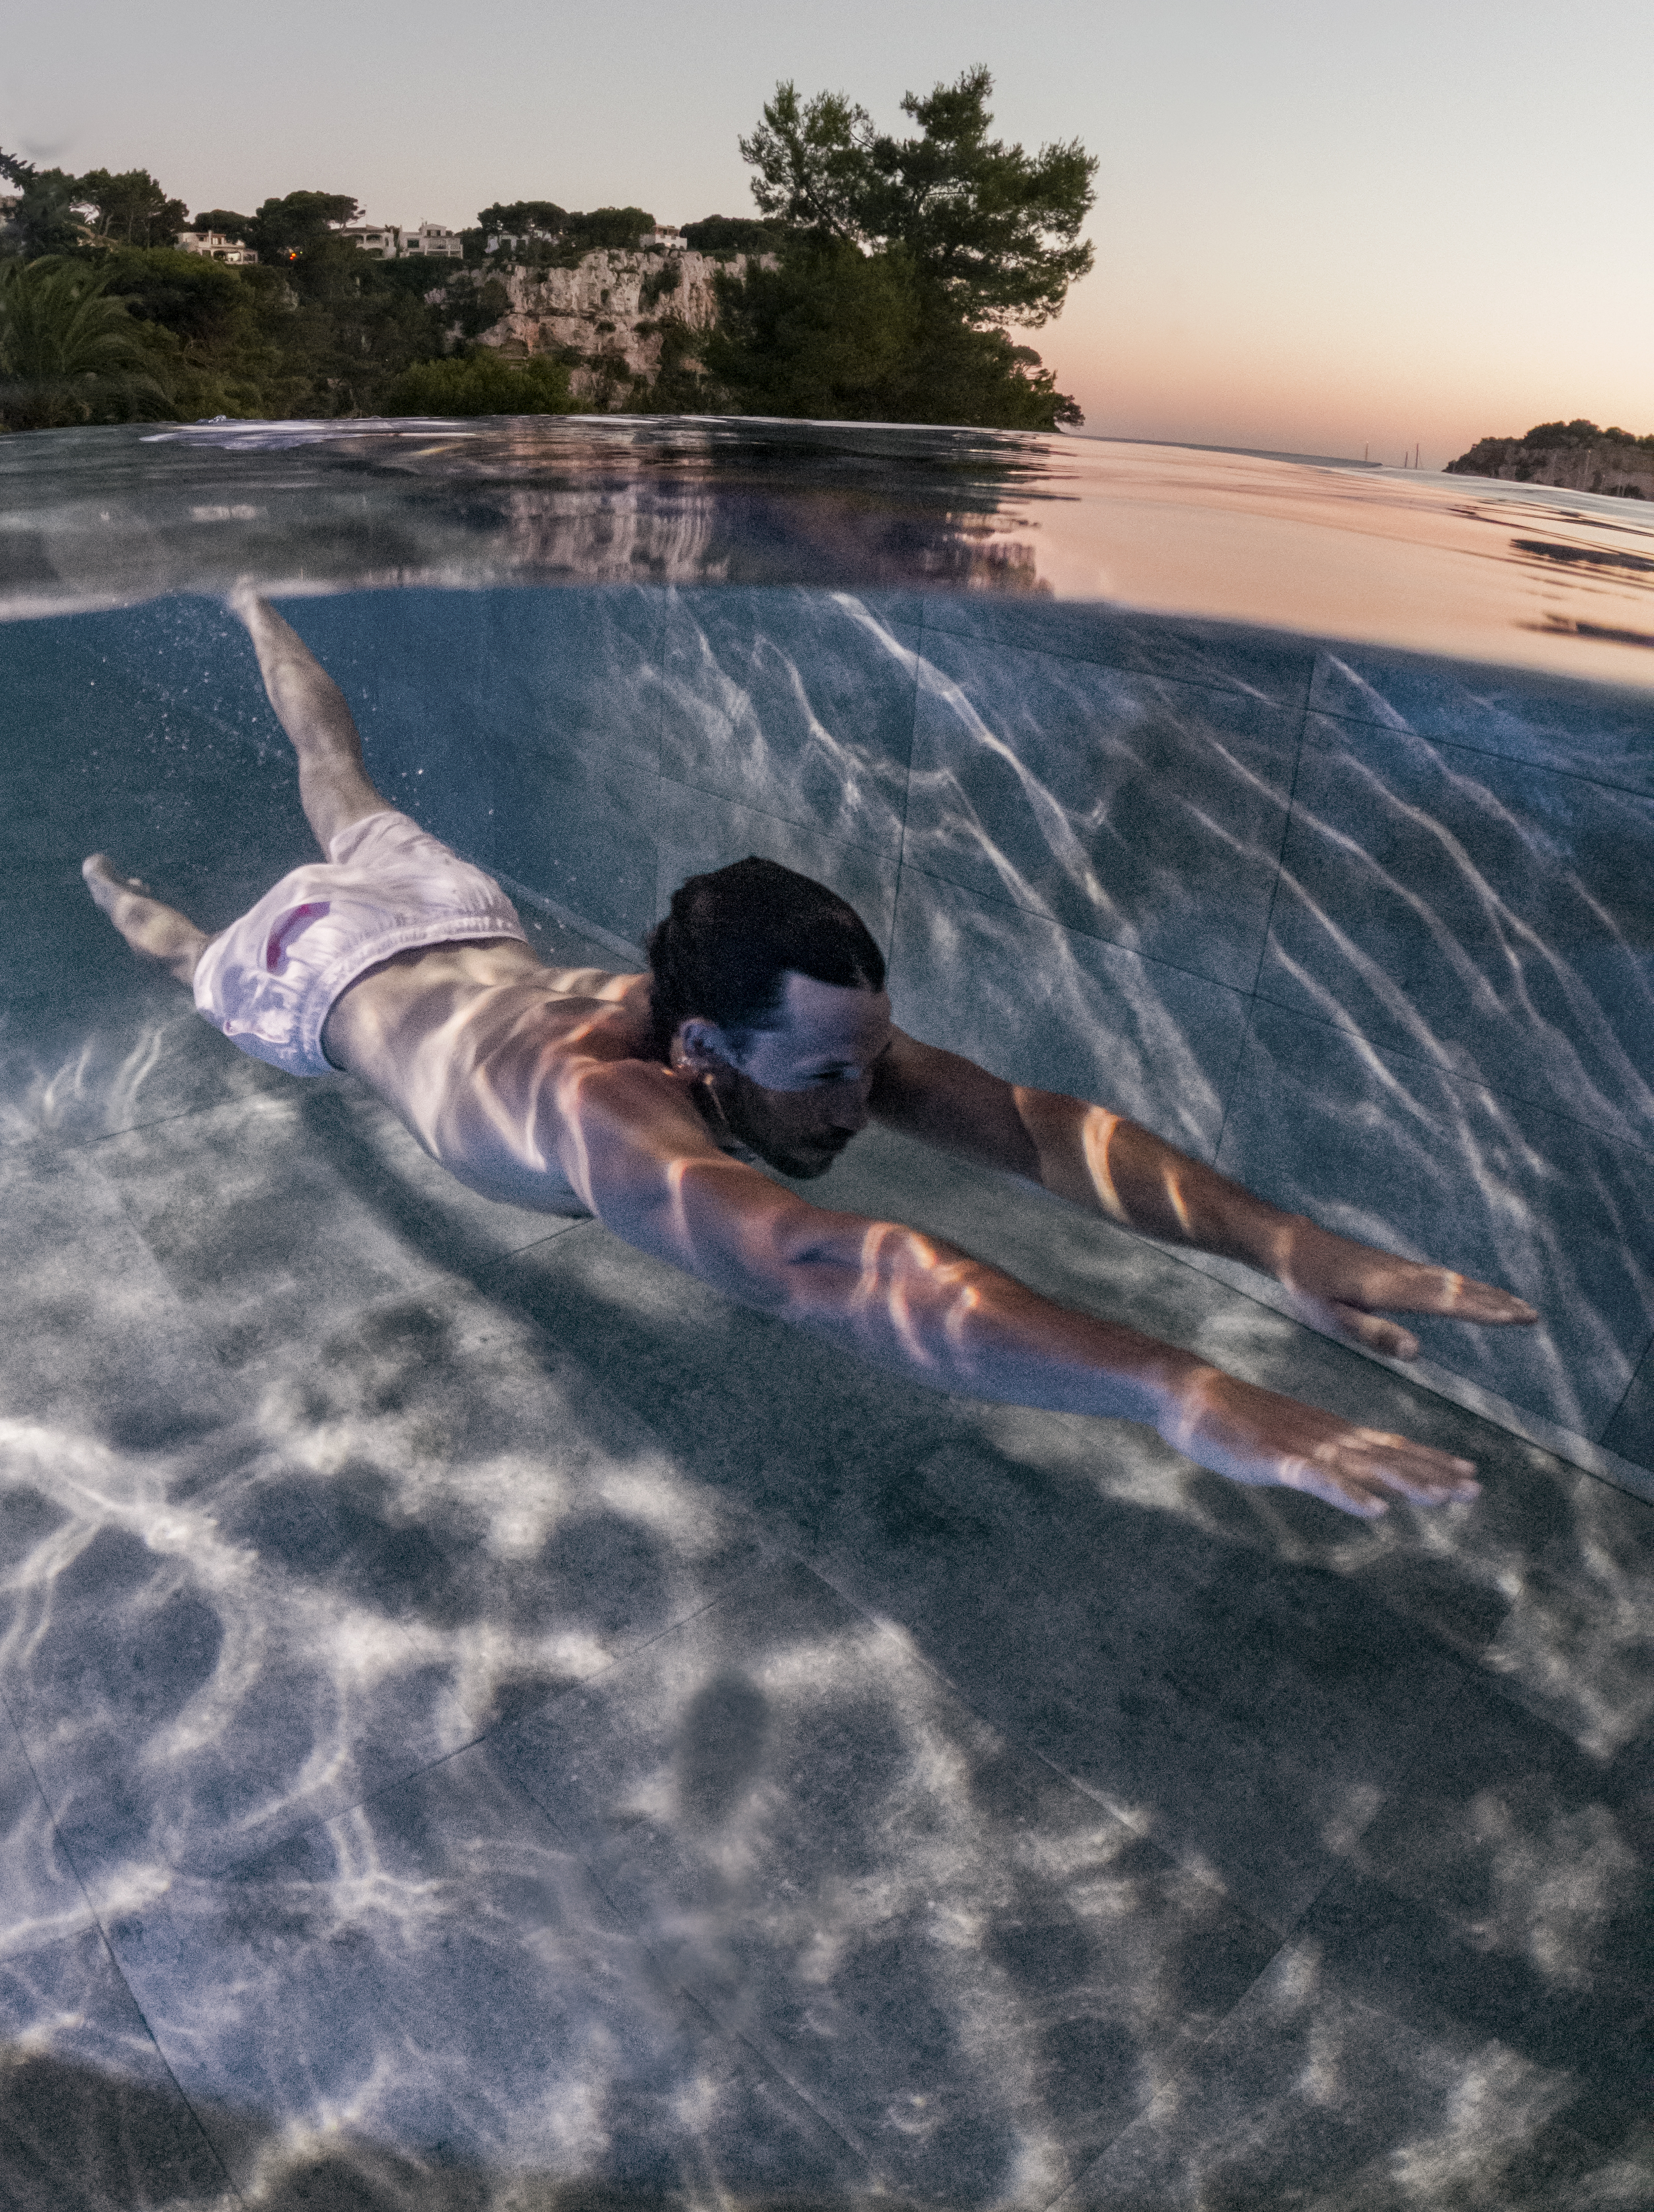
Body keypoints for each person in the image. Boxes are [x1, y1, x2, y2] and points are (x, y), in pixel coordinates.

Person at [84, 591, 1533, 1521]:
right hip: (311, 987)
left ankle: (249, 597)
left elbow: (1034, 1127)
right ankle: (132, 903)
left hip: (456, 923)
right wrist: (1182, 1390)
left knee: (338, 781)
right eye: (828, 1076)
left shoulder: (765, 1031)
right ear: (702, 1045)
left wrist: (1284, 1245)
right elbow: (829, 1268)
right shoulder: (603, 1116)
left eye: (867, 1062)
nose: (862, 1100)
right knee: (189, 948)